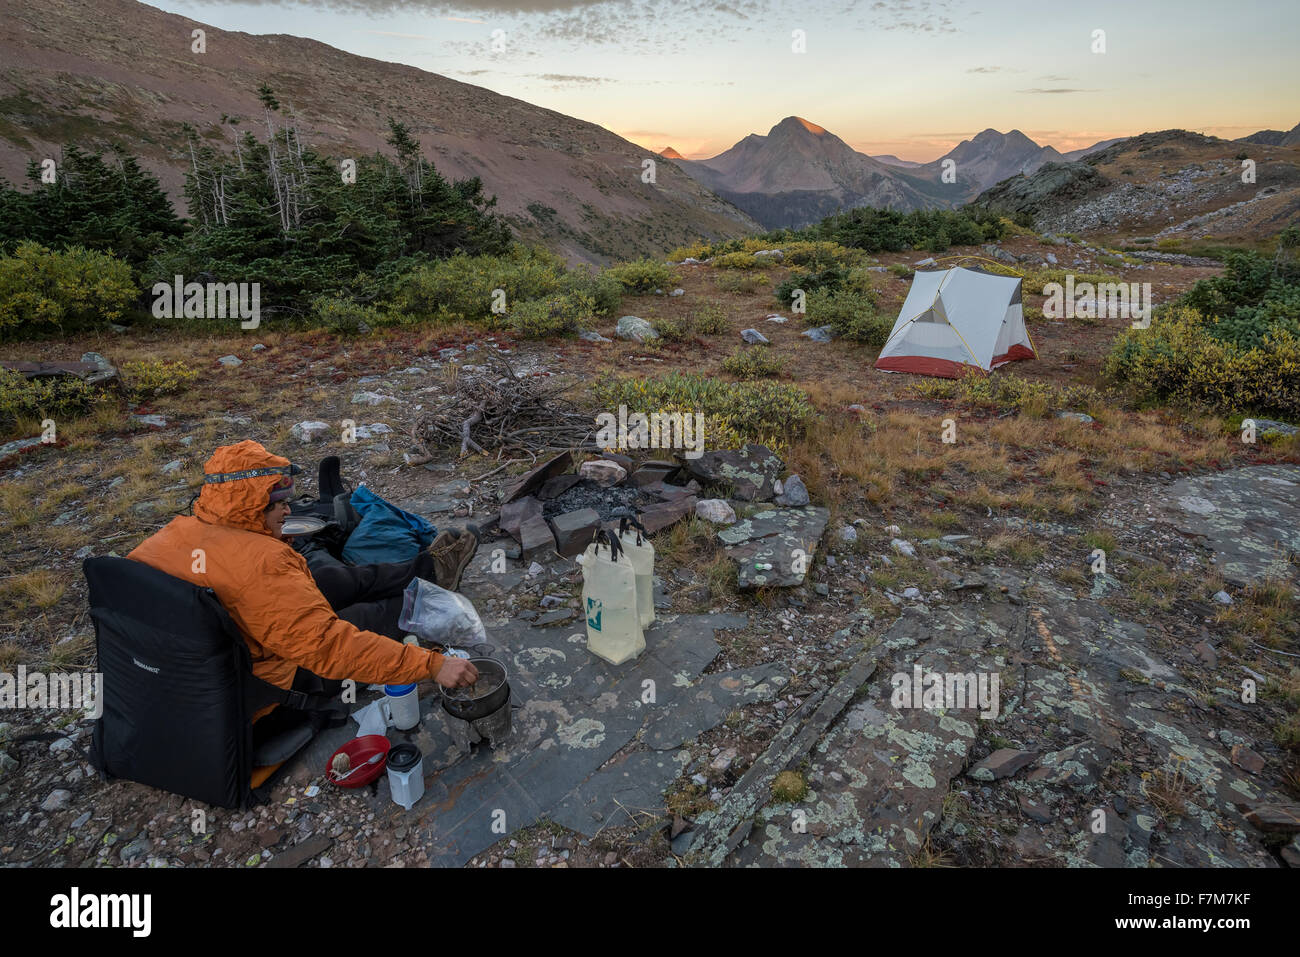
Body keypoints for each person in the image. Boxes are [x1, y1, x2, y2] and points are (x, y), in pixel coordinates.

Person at [128, 439, 479, 720]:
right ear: (250, 505)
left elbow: (235, 579)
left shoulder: (176, 532)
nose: (288, 509)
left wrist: (273, 543)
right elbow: (328, 648)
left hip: (214, 654)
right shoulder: (260, 564)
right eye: (279, 501)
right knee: (375, 615)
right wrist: (431, 665)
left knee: (335, 580)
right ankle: (426, 592)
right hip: (266, 678)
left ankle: (429, 569)